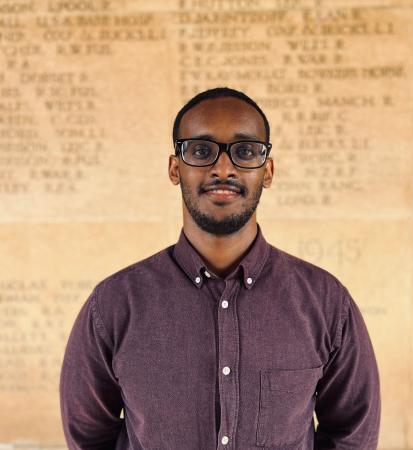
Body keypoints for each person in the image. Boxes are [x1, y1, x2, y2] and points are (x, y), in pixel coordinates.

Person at [59, 87, 381, 449]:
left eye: (245, 151)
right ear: (174, 168)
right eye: (201, 151)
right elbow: (88, 438)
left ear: (268, 171)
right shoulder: (114, 305)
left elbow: (352, 433)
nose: (223, 167)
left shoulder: (325, 303)